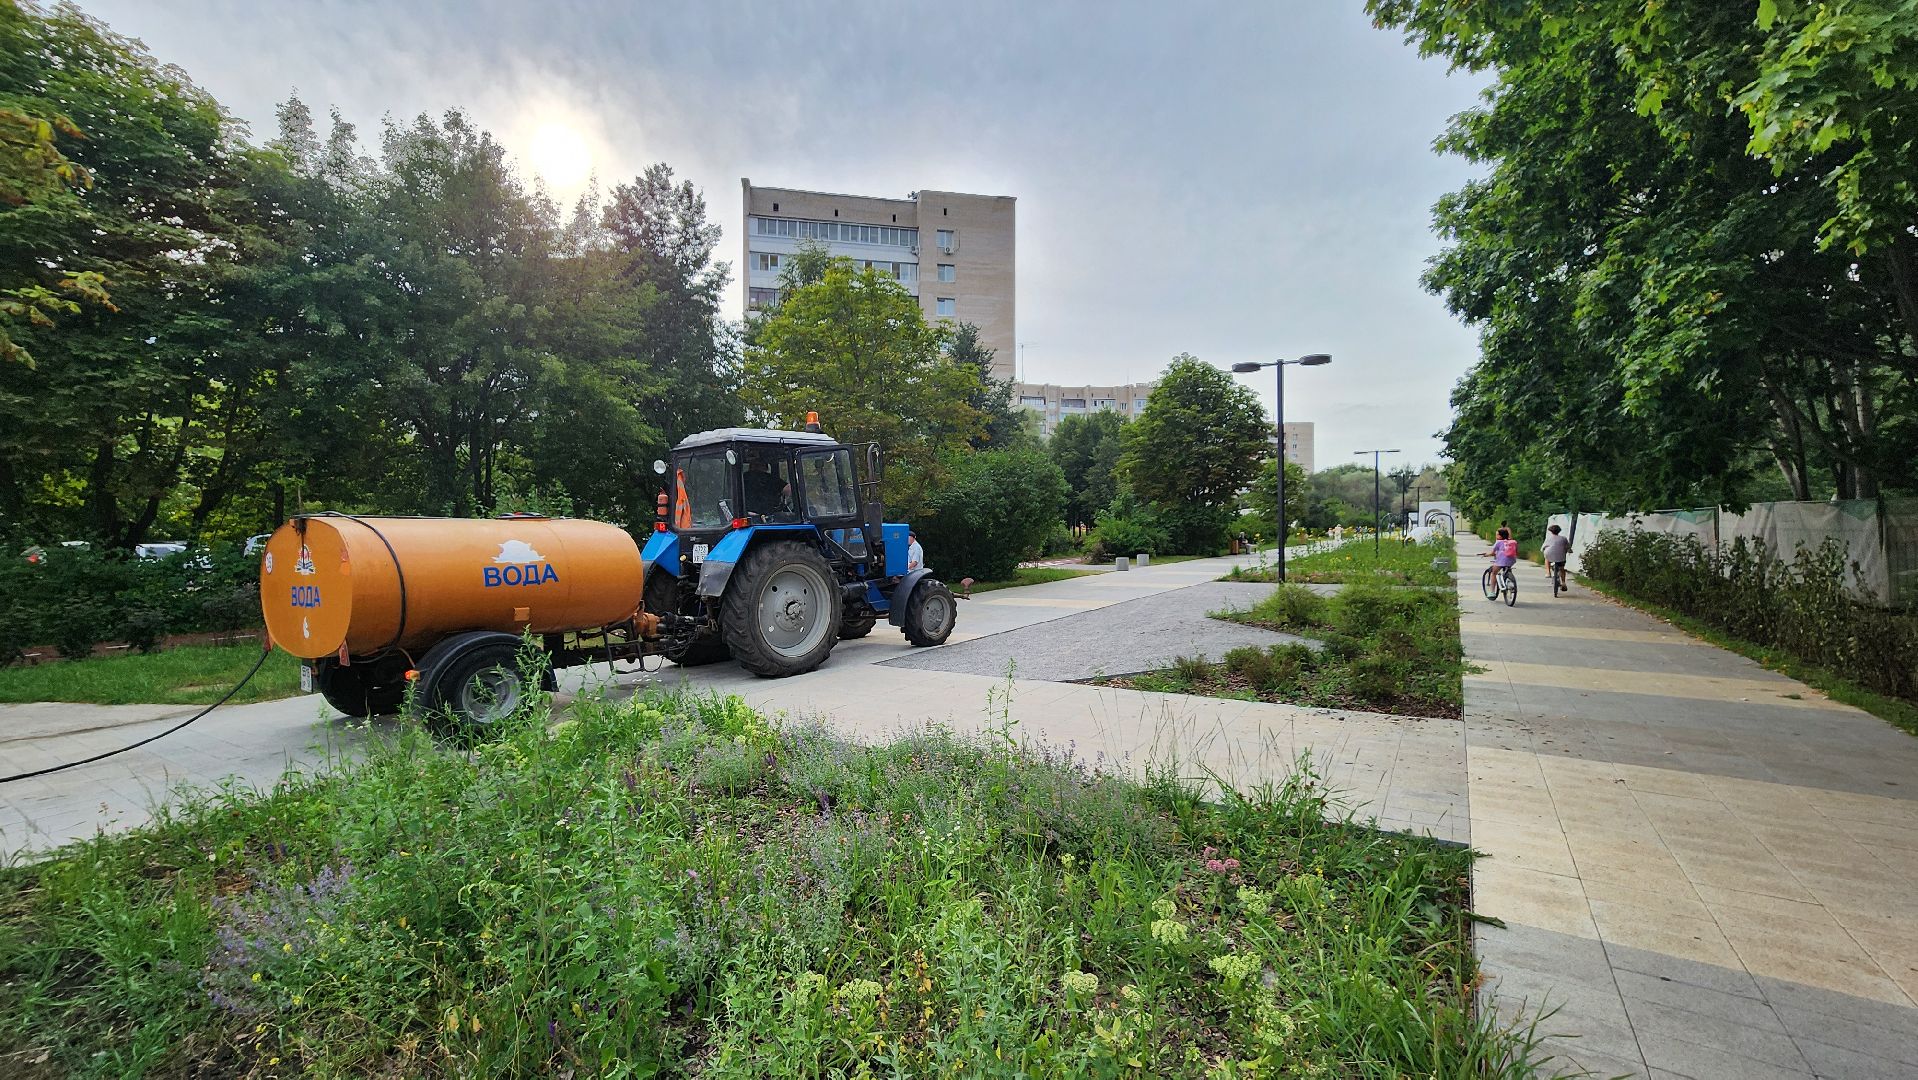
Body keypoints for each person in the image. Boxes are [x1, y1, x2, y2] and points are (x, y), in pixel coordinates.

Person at [1542, 523, 1571, 594]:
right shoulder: (1563, 538)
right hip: (1561, 556)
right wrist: (1569, 550)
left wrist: (1543, 550)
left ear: (1551, 531)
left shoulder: (1548, 539)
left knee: (1547, 559)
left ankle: (1548, 573)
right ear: (1559, 531)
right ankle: (1563, 582)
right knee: (1562, 568)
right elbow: (1568, 548)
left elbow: (1542, 548)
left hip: (1549, 554)